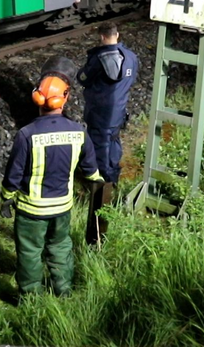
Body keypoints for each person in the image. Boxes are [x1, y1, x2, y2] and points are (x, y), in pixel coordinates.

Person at [0, 57, 103, 296]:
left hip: (31, 210)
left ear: (36, 98)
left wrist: (6, 198)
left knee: (29, 252)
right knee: (60, 247)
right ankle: (63, 290)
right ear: (65, 99)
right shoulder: (78, 132)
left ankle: (31, 297)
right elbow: (91, 170)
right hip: (62, 208)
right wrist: (97, 187)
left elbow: (13, 175)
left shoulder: (26, 134)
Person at [76, 22, 138, 245]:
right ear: (117, 35)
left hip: (101, 113)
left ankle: (102, 192)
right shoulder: (130, 56)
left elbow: (82, 78)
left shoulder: (99, 58)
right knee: (113, 143)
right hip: (118, 111)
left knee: (100, 150)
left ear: (102, 37)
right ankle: (114, 179)